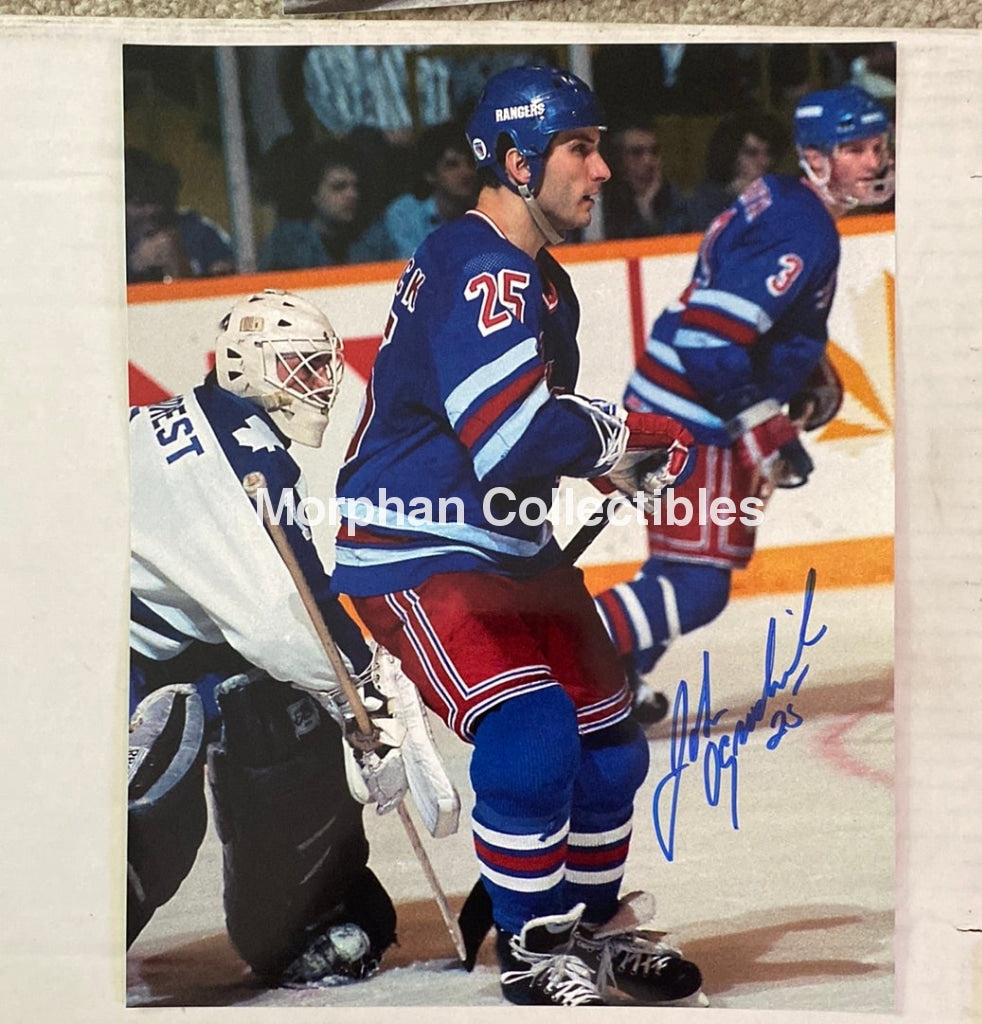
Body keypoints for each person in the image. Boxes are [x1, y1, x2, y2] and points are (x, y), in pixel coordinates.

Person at [330, 65, 703, 1007]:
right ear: (514, 159)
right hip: (416, 545)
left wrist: (607, 462)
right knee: (534, 733)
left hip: (502, 542)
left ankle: (587, 926)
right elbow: (506, 438)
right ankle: (534, 949)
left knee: (611, 743)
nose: (602, 170)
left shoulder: (539, 281)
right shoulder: (483, 265)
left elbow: (527, 438)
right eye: (580, 149)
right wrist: (616, 434)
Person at [128, 289, 404, 986]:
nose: (321, 384)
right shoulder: (244, 452)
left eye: (322, 367)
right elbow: (288, 617)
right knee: (158, 817)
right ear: (245, 366)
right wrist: (364, 694)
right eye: (301, 367)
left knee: (268, 702)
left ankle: (305, 912)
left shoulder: (180, 420)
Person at [593, 85, 894, 724]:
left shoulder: (782, 196)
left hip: (670, 400)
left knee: (680, 568)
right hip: (689, 415)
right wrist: (767, 428)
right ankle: (561, 656)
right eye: (854, 150)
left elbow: (748, 313)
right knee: (699, 587)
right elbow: (708, 339)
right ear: (816, 155)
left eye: (878, 146)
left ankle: (613, 683)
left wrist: (799, 367)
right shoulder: (804, 228)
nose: (874, 162)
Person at [257, 139, 389, 271]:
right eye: (338, 187)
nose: (352, 195)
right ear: (314, 195)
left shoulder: (374, 241)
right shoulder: (287, 246)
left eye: (355, 186)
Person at [367, 121, 480, 260]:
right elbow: (412, 269)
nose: (466, 173)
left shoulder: (485, 211)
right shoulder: (405, 213)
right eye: (452, 165)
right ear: (430, 174)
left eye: (470, 164)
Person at [125, 147, 235, 283]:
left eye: (155, 200)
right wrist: (132, 268)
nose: (150, 210)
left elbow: (229, 287)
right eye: (139, 203)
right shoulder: (105, 243)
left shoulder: (198, 231)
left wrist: (180, 260)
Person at [685, 109, 788, 232]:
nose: (764, 162)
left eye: (769, 153)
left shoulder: (783, 191)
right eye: (752, 153)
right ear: (731, 155)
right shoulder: (706, 200)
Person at [603, 118, 693, 239]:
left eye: (654, 152)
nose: (648, 161)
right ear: (619, 161)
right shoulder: (604, 202)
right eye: (636, 153)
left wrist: (647, 212)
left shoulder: (673, 198)